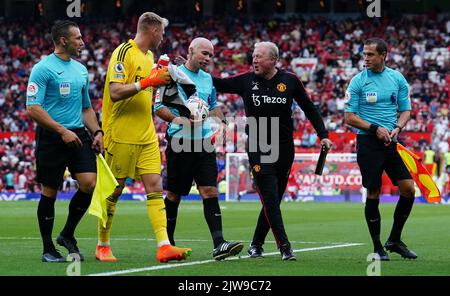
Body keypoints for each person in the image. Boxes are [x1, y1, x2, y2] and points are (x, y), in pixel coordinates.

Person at [213, 41, 333, 260]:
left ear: (273, 60)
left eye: (259, 56)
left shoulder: (290, 81)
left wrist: (323, 134)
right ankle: (285, 246)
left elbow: (309, 108)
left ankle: (256, 244)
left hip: (285, 147)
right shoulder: (245, 80)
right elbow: (216, 83)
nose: (254, 60)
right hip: (258, 146)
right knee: (269, 197)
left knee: (273, 200)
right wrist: (189, 69)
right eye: (253, 56)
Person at [97, 12, 191, 263]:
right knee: (115, 190)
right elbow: (115, 92)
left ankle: (164, 245)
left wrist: (165, 76)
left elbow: (149, 86)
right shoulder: (123, 53)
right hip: (121, 132)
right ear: (152, 30)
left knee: (155, 187)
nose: (163, 37)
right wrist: (148, 81)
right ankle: (102, 244)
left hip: (146, 132)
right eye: (161, 32)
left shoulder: (150, 56)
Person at [155, 37, 243, 260]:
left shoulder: (208, 80)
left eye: (211, 55)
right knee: (174, 195)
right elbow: (158, 108)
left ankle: (219, 244)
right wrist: (182, 121)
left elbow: (212, 107)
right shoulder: (172, 75)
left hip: (204, 143)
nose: (208, 58)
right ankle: (169, 244)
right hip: (179, 142)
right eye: (204, 53)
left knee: (210, 191)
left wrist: (223, 123)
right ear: (191, 51)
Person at [26, 20, 104, 262]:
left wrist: (98, 131)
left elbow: (86, 108)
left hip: (78, 134)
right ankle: (48, 248)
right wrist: (61, 130)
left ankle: (67, 234)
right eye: (78, 38)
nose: (82, 42)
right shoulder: (43, 68)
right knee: (50, 190)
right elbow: (32, 107)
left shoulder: (81, 70)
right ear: (63, 40)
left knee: (90, 183)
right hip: (52, 136)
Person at [344, 38, 417, 260]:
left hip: (392, 142)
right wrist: (375, 128)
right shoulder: (357, 82)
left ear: (383, 54)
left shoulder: (397, 78)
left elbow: (405, 110)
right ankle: (377, 247)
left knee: (408, 189)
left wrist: (398, 127)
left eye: (370, 54)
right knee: (373, 192)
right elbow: (349, 118)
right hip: (368, 143)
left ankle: (394, 239)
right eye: (364, 54)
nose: (365, 58)